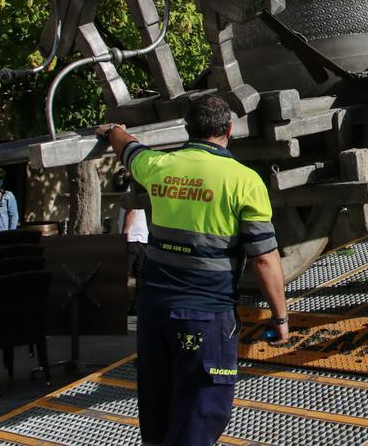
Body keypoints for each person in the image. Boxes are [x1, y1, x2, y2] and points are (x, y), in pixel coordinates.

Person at [96, 95, 288, 446]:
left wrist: (112, 131)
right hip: (206, 318)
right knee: (199, 418)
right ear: (229, 130)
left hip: (154, 315)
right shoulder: (244, 181)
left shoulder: (159, 166)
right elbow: (264, 258)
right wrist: (280, 318)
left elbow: (130, 149)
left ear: (187, 128)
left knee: (158, 411)